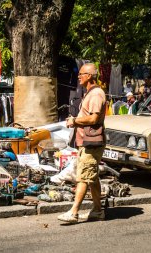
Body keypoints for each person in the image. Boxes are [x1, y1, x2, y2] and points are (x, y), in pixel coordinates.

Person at [58, 63, 106, 223]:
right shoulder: (89, 93)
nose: (78, 76)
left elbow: (93, 118)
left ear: (90, 76)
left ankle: (74, 212)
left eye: (81, 74)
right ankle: (98, 211)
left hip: (91, 143)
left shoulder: (96, 94)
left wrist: (75, 121)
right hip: (87, 142)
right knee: (92, 178)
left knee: (84, 178)